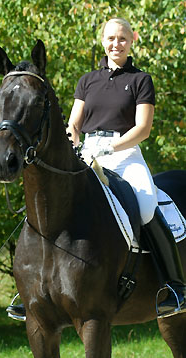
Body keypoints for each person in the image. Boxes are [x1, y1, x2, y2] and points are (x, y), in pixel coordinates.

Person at [67, 17, 186, 318]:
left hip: (125, 155)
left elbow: (143, 128)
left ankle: (175, 286)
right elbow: (74, 123)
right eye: (110, 38)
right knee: (56, 200)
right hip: (88, 155)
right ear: (102, 40)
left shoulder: (141, 80)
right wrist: (73, 145)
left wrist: (110, 147)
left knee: (146, 205)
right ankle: (34, 288)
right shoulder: (87, 80)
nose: (115, 44)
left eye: (122, 38)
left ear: (132, 39)